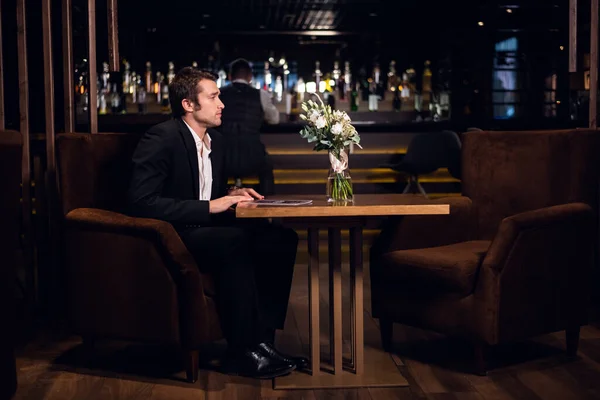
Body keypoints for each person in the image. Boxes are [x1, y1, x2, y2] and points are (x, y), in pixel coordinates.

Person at [127, 67, 306, 379]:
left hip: (204, 228)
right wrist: (211, 206)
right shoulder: (162, 138)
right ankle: (241, 351)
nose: (222, 103)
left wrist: (231, 194)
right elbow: (142, 201)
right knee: (232, 241)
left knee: (279, 238)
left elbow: (200, 189)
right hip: (174, 234)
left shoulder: (217, 142)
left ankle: (263, 343)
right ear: (189, 104)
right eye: (213, 96)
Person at [218, 58, 279, 195]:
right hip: (253, 156)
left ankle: (217, 204)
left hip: (223, 156)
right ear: (250, 76)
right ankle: (268, 208)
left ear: (229, 76)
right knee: (267, 169)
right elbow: (274, 119)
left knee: (215, 170)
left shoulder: (218, 94)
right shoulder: (260, 94)